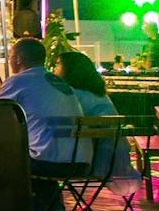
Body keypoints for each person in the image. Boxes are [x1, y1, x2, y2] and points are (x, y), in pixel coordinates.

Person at [0, 36, 88, 211]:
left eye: (10, 56)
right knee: (36, 165)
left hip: (50, 161)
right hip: (79, 161)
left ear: (18, 59)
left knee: (6, 164)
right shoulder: (58, 81)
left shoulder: (18, 81)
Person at [57, 48, 137, 180]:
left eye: (58, 64)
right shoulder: (97, 93)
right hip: (114, 157)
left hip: (90, 161)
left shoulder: (72, 95)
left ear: (69, 69)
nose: (54, 69)